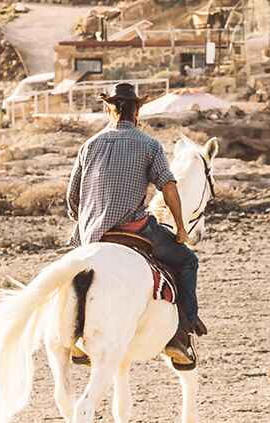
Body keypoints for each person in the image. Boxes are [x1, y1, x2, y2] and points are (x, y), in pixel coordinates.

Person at [64, 82, 205, 369]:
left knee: (70, 271)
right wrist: (181, 228)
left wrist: (89, 220)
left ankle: (72, 331)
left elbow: (72, 199)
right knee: (187, 261)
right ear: (137, 111)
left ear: (109, 109)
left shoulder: (89, 145)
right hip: (134, 228)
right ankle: (182, 335)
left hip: (91, 234)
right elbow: (168, 187)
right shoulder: (149, 144)